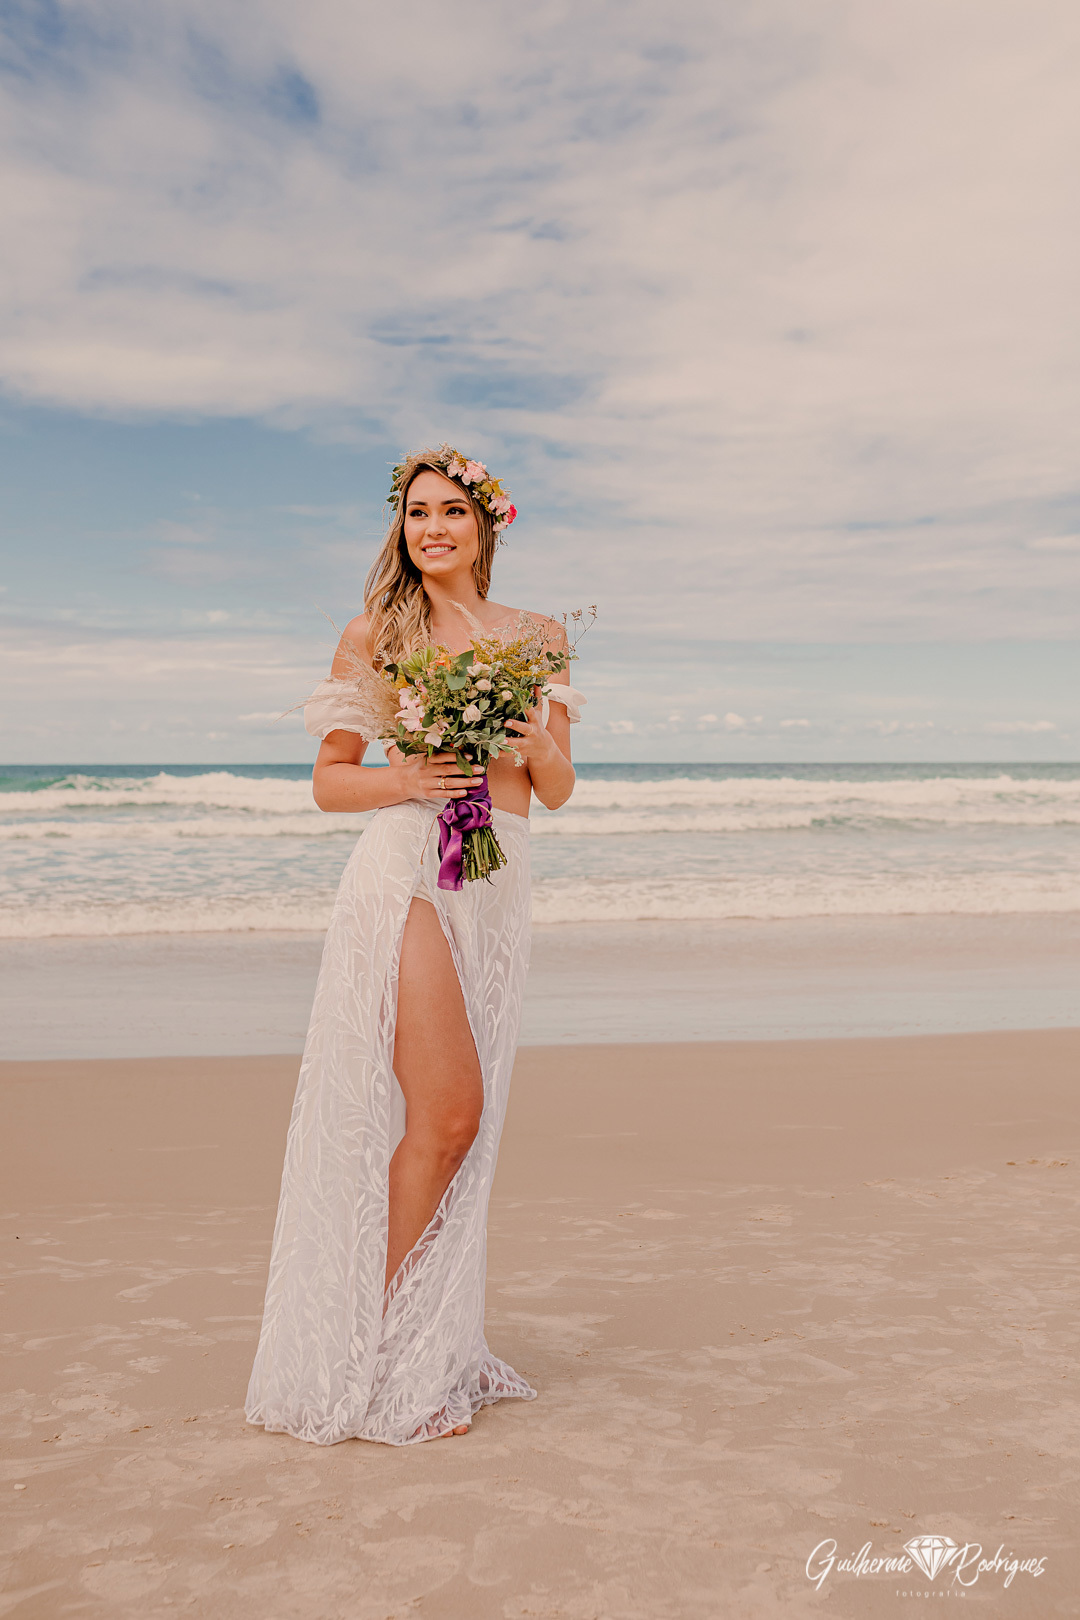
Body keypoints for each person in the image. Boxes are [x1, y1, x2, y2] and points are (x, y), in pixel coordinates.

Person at [244, 446, 585, 1445]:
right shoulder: (376, 634)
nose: (433, 528)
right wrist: (413, 779)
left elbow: (558, 793)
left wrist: (531, 739)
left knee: (466, 1128)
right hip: (410, 870)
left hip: (496, 874)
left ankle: (430, 1342)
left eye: (453, 512)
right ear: (402, 529)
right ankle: (375, 1352)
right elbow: (328, 781)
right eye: (417, 513)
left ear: (488, 526)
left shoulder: (539, 637)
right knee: (446, 1114)